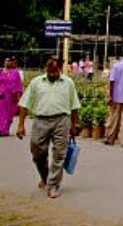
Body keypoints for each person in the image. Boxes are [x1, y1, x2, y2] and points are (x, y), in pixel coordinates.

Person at [16, 56, 80, 198]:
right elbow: (24, 104)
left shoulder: (68, 83)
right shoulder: (36, 82)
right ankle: (45, 177)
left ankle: (53, 185)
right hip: (41, 120)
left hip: (61, 120)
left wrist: (75, 125)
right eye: (49, 71)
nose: (52, 74)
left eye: (55, 72)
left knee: (59, 155)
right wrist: (20, 125)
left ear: (60, 69)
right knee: (37, 152)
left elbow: (74, 106)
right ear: (46, 69)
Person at [1, 57, 25, 136]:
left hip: (12, 97)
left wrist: (18, 96)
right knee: (1, 113)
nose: (7, 62)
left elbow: (18, 84)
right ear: (4, 62)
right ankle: (1, 129)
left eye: (9, 61)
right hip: (2, 96)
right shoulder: (1, 72)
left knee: (9, 114)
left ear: (12, 63)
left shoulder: (15, 73)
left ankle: (5, 129)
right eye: (6, 61)